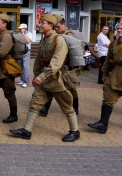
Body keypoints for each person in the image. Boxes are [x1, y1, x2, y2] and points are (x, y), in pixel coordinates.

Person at [9, 13, 80, 142]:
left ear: (51, 25)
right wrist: (36, 74)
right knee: (35, 103)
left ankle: (75, 131)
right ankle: (27, 130)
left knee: (67, 106)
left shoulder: (59, 40)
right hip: (44, 78)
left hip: (57, 79)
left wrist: (41, 76)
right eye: (40, 22)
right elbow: (38, 60)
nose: (39, 25)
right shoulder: (44, 39)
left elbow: (56, 63)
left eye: (42, 23)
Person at [38, 14, 81, 116]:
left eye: (58, 27)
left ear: (64, 24)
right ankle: (45, 108)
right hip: (54, 66)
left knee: (71, 89)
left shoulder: (68, 35)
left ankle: (75, 108)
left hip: (66, 67)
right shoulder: (52, 36)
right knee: (50, 85)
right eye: (55, 27)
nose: (56, 29)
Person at [16, 23, 33, 88]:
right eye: (20, 29)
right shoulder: (19, 34)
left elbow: (28, 41)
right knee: (20, 66)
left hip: (26, 51)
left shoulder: (29, 34)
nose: (20, 30)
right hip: (20, 51)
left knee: (25, 66)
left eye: (21, 29)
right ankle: (22, 80)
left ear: (25, 29)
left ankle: (26, 82)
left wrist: (23, 34)